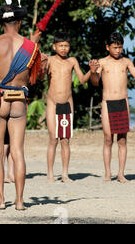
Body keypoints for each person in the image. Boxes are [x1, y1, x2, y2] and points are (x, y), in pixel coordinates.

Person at [0, 3, 43, 210]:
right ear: (20, 22)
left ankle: (0, 200)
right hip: (19, 99)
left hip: (0, 98)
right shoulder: (31, 46)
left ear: (1, 23)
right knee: (18, 151)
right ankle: (20, 201)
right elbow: (35, 79)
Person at [44, 32, 94, 183]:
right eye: (61, 45)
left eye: (66, 45)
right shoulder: (50, 60)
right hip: (53, 102)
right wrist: (40, 63)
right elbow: (40, 77)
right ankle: (50, 174)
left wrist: (91, 71)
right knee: (53, 139)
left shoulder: (72, 61)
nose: (64, 48)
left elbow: (82, 80)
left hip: (67, 102)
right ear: (54, 46)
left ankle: (65, 174)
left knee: (65, 140)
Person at [90, 32, 135, 183]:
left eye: (120, 47)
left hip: (122, 103)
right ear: (107, 47)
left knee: (122, 140)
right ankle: (108, 173)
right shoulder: (102, 62)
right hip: (107, 103)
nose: (118, 51)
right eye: (115, 47)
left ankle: (121, 174)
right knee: (108, 138)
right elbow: (95, 82)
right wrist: (92, 71)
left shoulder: (127, 62)